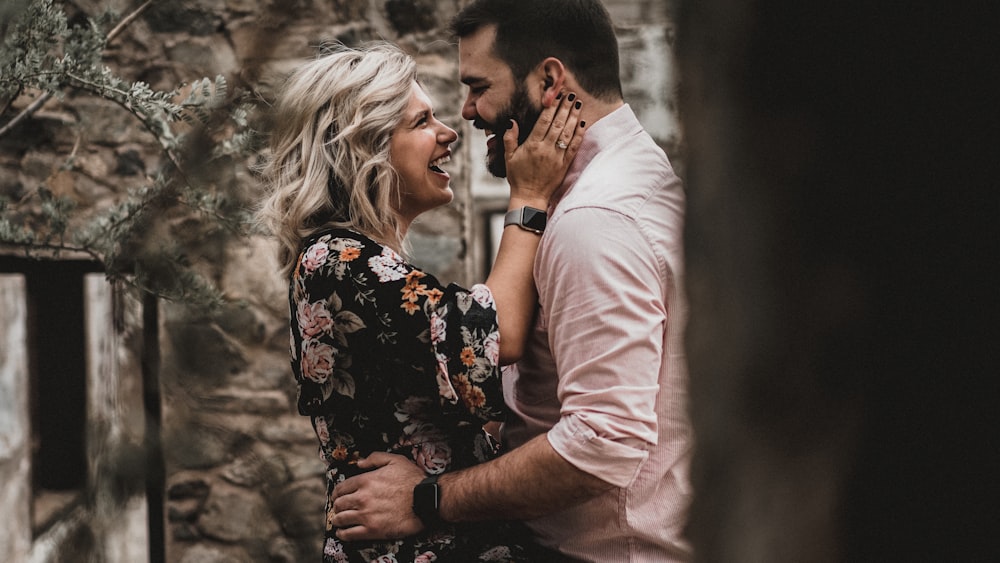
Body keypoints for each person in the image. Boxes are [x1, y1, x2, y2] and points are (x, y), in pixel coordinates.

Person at [329, 1, 692, 562]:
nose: (468, 112)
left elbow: (603, 444)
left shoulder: (595, 220)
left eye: (478, 86)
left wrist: (429, 498)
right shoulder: (639, 179)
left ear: (550, 80)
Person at [256, 41, 585, 562]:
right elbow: (498, 333)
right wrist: (528, 197)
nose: (450, 132)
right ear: (364, 147)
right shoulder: (337, 260)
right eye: (422, 121)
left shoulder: (359, 262)